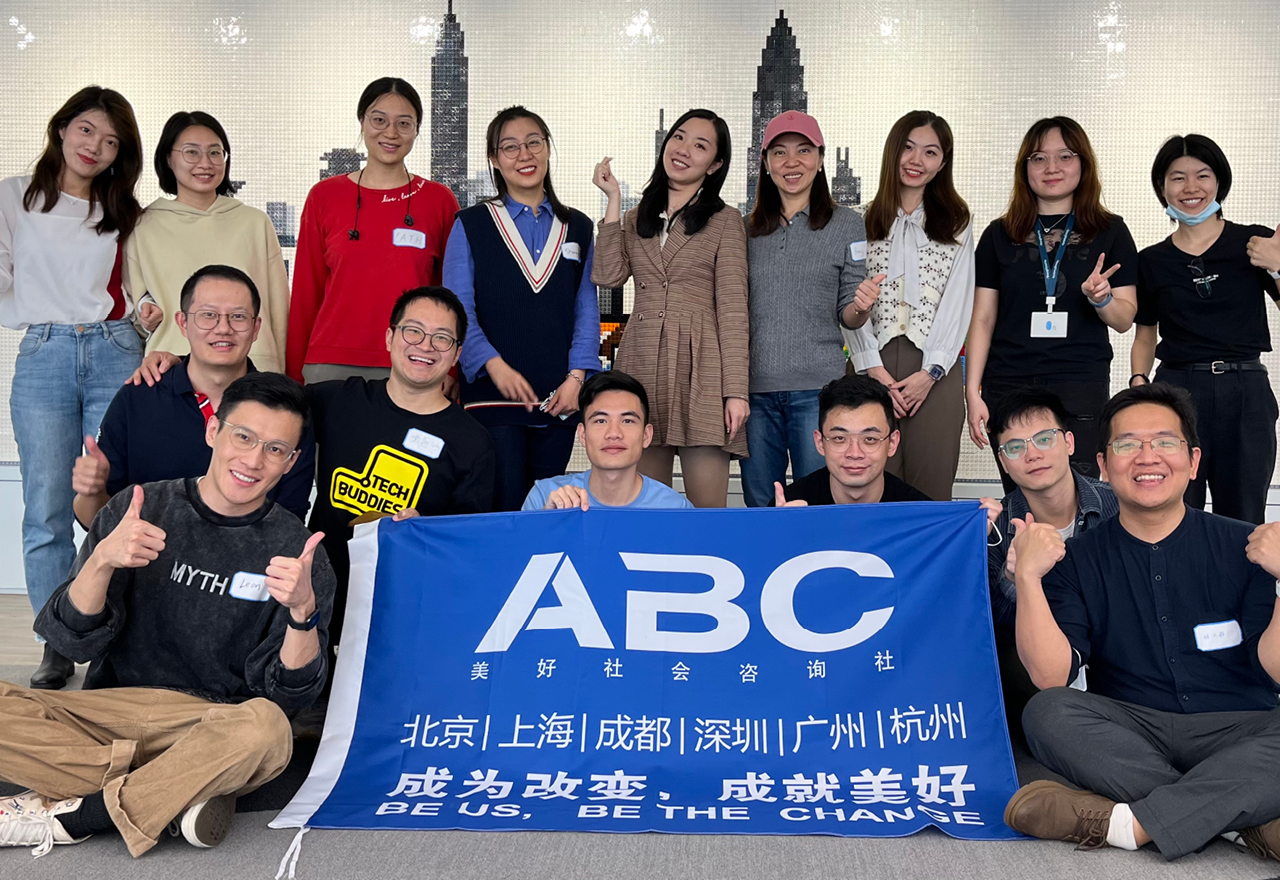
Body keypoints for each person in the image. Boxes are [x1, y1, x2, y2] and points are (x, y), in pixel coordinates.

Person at [0, 371, 335, 859]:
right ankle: (181, 790)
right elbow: (71, 644)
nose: (254, 459)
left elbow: (291, 694)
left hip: (214, 722)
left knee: (268, 729)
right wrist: (100, 561)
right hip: (111, 709)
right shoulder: (139, 508)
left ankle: (79, 814)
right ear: (212, 431)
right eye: (243, 436)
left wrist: (303, 613)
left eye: (275, 449)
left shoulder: (298, 551)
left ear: (291, 462)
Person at [133, 287, 494, 677]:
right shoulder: (338, 400)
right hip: (320, 588)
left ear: (457, 353)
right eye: (413, 331)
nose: (425, 346)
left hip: (406, 607)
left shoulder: (473, 442)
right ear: (390, 337)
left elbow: (474, 549)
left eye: (442, 338)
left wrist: (425, 533)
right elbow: (259, 400)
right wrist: (185, 363)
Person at [1004, 383, 1280, 863]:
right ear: (1105, 467)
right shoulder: (1076, 559)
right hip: (1133, 731)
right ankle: (1244, 817)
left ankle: (1125, 824)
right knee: (1046, 712)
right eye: (1128, 444)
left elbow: (1275, 669)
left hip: (1241, 726)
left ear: (1192, 462)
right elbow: (1051, 678)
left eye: (1164, 442)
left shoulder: (1248, 547)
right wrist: (1027, 577)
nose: (1147, 457)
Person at [0, 87, 146, 689]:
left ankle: (117, 635)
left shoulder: (124, 212)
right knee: (47, 509)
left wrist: (148, 313)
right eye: (87, 131)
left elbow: (141, 287)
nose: (96, 147)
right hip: (45, 351)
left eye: (111, 142)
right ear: (62, 129)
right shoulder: (14, 197)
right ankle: (55, 642)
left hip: (115, 347)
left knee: (115, 499)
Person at [76, 265, 314, 542]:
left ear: (256, 327)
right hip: (146, 565)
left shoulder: (284, 411)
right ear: (183, 323)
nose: (223, 328)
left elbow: (290, 520)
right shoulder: (140, 395)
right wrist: (90, 492)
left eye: (238, 317)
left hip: (245, 569)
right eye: (208, 316)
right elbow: (96, 521)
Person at [966, 116, 1138, 493]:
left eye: (1065, 156)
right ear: (1025, 167)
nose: (1052, 168)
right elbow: (982, 318)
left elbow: (1125, 318)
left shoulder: (1110, 230)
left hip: (1079, 381)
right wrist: (971, 390)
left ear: (1083, 164)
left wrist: (1102, 299)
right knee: (1021, 497)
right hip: (1008, 381)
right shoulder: (999, 234)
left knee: (1081, 494)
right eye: (1039, 158)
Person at [592, 109, 749, 508]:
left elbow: (732, 310)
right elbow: (608, 276)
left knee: (708, 511)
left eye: (700, 145)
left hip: (703, 366)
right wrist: (612, 200)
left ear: (715, 164)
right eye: (679, 137)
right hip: (641, 362)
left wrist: (736, 392)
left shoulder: (725, 221)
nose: (684, 150)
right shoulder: (634, 218)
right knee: (646, 509)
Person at [445, 107, 600, 510]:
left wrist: (577, 377)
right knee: (503, 504)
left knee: (550, 510)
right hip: (491, 396)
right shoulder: (471, 224)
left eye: (534, 142)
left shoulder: (579, 227)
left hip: (558, 396)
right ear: (494, 159)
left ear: (548, 149)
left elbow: (585, 306)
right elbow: (458, 309)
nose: (524, 154)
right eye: (509, 147)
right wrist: (493, 365)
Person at [1131, 134, 1280, 525]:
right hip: (1177, 389)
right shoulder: (1150, 260)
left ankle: (1251, 587)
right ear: (1162, 188)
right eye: (1177, 178)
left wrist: (1279, 266)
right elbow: (1145, 334)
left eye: (1203, 175)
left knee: (1245, 512)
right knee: (1175, 509)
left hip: (1245, 389)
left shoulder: (1255, 242)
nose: (1191, 188)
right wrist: (1138, 381)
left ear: (1220, 182)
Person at [287, 77, 459, 383]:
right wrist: (292, 376)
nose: (390, 133)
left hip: (415, 363)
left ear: (417, 130)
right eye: (379, 120)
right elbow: (305, 293)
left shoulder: (438, 201)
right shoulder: (325, 196)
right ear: (362, 122)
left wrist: (453, 370)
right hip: (330, 363)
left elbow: (452, 296)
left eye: (404, 123)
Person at [742, 110, 871, 508]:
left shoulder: (847, 224)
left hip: (817, 391)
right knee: (761, 505)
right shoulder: (744, 230)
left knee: (818, 502)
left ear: (820, 158)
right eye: (779, 152)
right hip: (754, 392)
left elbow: (848, 312)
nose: (791, 162)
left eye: (803, 150)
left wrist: (862, 307)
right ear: (765, 163)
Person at [844, 110, 974, 501]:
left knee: (930, 489)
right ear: (892, 151)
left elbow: (960, 300)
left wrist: (931, 372)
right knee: (867, 485)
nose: (917, 160)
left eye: (930, 152)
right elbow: (849, 297)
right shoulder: (858, 221)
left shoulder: (958, 222)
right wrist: (872, 367)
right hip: (870, 363)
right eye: (908, 148)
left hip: (936, 369)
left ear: (943, 163)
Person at [979, 386, 1118, 733]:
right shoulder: (994, 527)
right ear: (1003, 463)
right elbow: (994, 633)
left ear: (1069, 443)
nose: (1032, 454)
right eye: (1015, 447)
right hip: (1043, 676)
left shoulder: (1119, 504)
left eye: (1044, 438)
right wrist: (1015, 580)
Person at [125, 111, 289, 373]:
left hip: (252, 367)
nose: (205, 163)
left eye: (215, 153)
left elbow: (279, 310)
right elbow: (136, 309)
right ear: (168, 158)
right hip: (172, 364)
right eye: (192, 152)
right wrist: (146, 312)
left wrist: (282, 374)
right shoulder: (144, 226)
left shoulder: (254, 223)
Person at [523, 370, 693, 511]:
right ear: (582, 434)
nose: (613, 433)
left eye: (627, 421)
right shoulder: (545, 497)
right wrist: (545, 522)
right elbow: (521, 551)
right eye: (601, 421)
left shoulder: (676, 509)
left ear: (646, 436)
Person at [771, 374, 930, 507]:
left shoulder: (921, 516)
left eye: (869, 439)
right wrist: (784, 535)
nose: (855, 453)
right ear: (820, 442)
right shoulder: (787, 509)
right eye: (839, 438)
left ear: (892, 443)